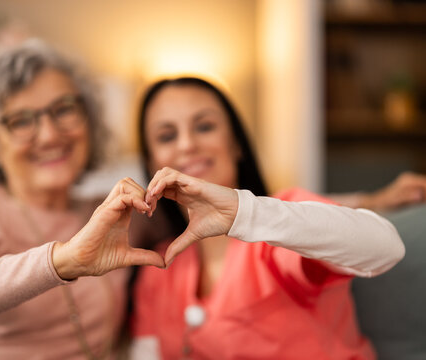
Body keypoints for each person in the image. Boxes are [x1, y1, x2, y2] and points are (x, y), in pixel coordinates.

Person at [0, 39, 165, 359]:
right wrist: (63, 261)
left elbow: (201, 230)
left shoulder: (115, 213)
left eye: (63, 110)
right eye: (20, 121)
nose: (48, 134)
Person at [130, 77, 405, 359]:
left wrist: (244, 211)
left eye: (204, 126)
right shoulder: (157, 269)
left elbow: (386, 247)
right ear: (152, 163)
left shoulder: (282, 224)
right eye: (167, 136)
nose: (187, 144)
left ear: (236, 144)